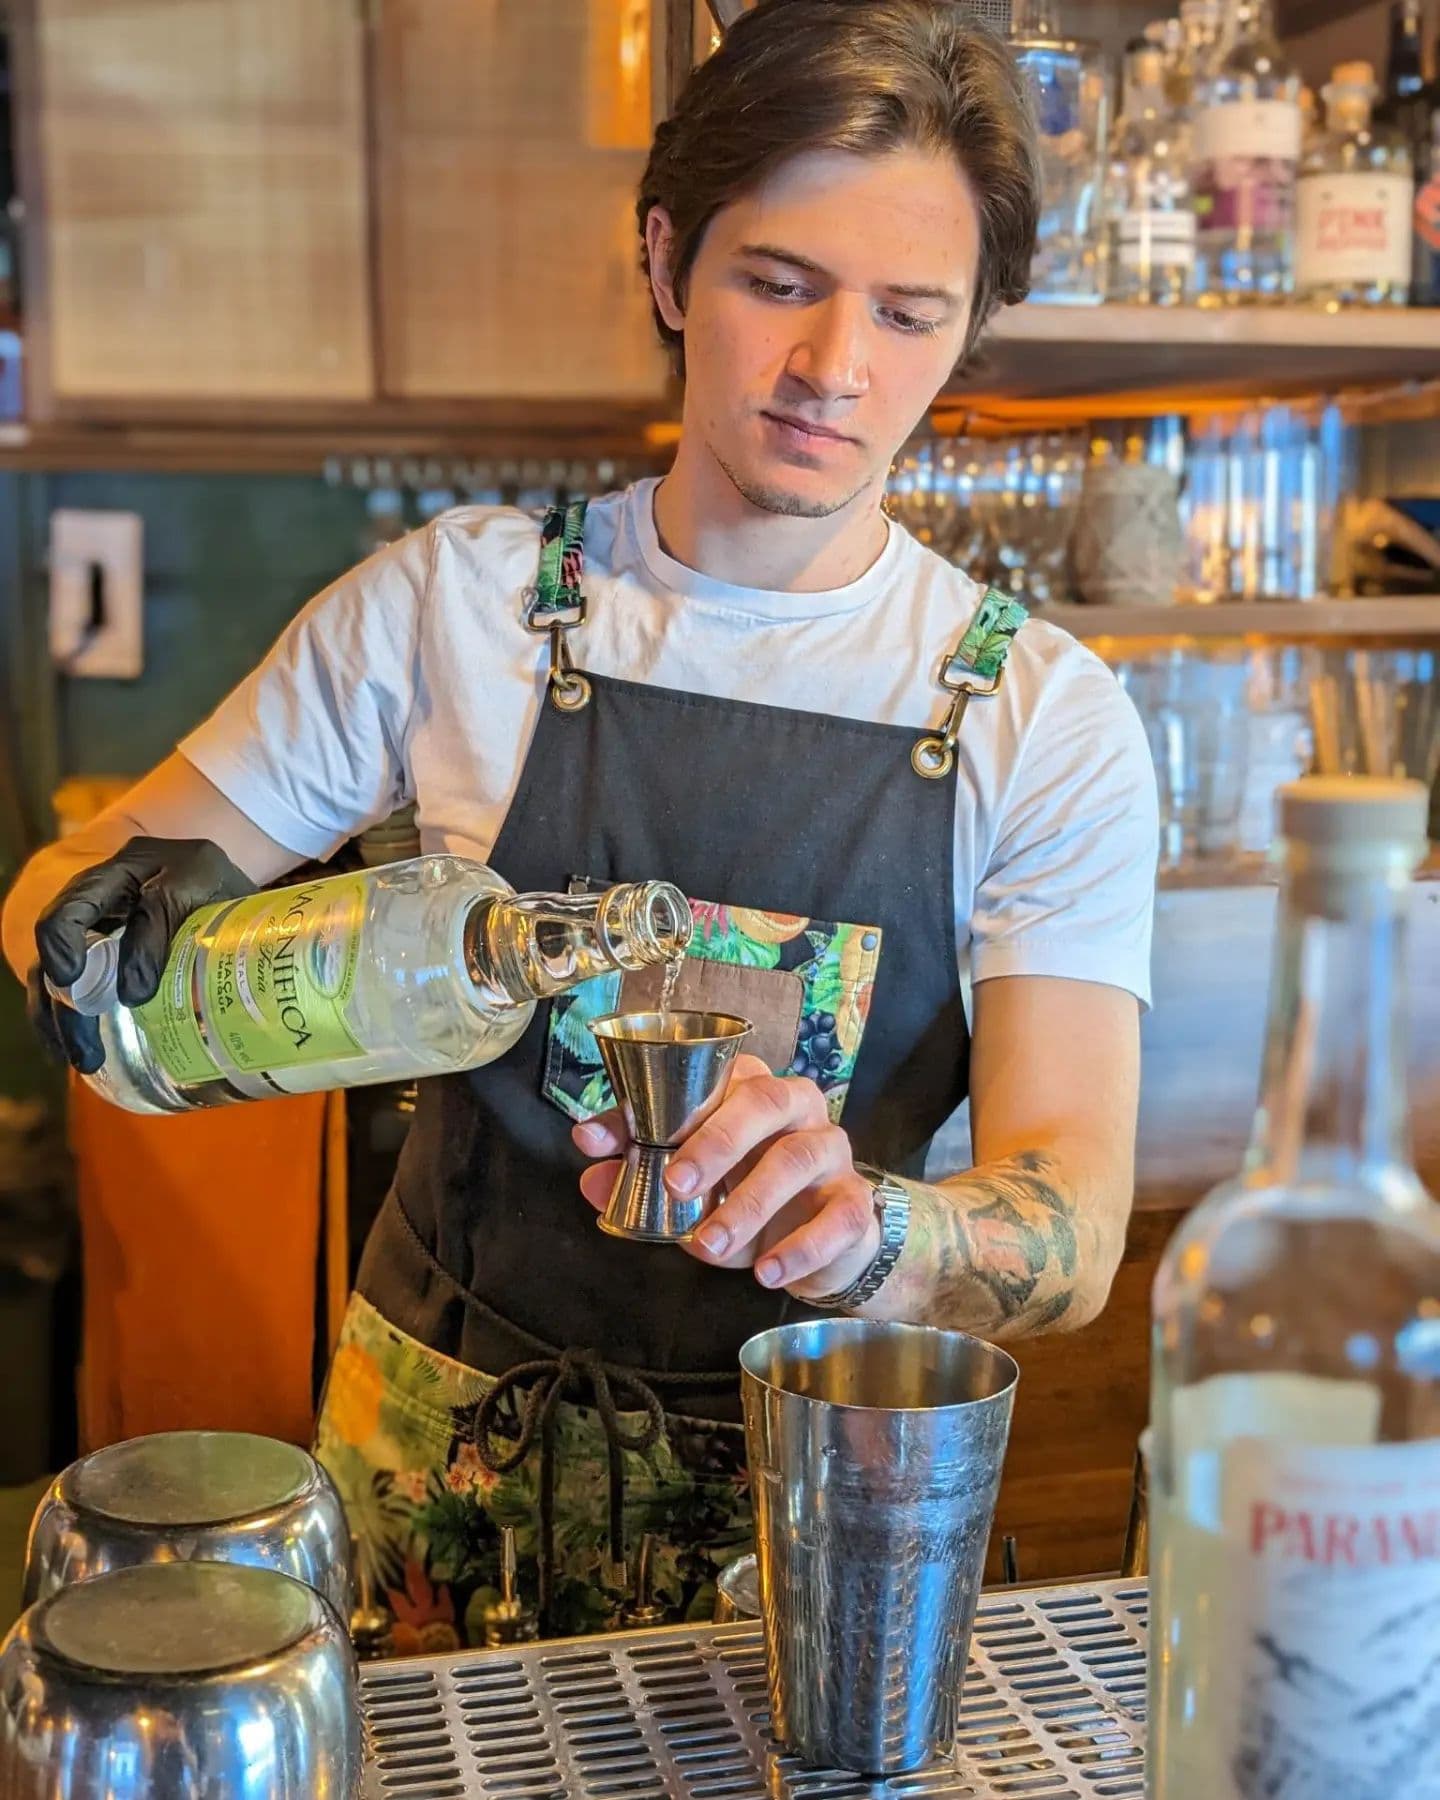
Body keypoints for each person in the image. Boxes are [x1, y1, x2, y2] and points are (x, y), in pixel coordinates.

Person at [3, 0, 1158, 1646]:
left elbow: (1074, 1222)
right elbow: (60, 898)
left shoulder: (1042, 719)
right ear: (670, 258)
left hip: (815, 1515)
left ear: (968, 337)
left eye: (910, 314)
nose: (837, 368)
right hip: (433, 1480)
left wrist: (874, 1227)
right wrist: (141, 926)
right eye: (779, 283)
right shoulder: (455, 611)